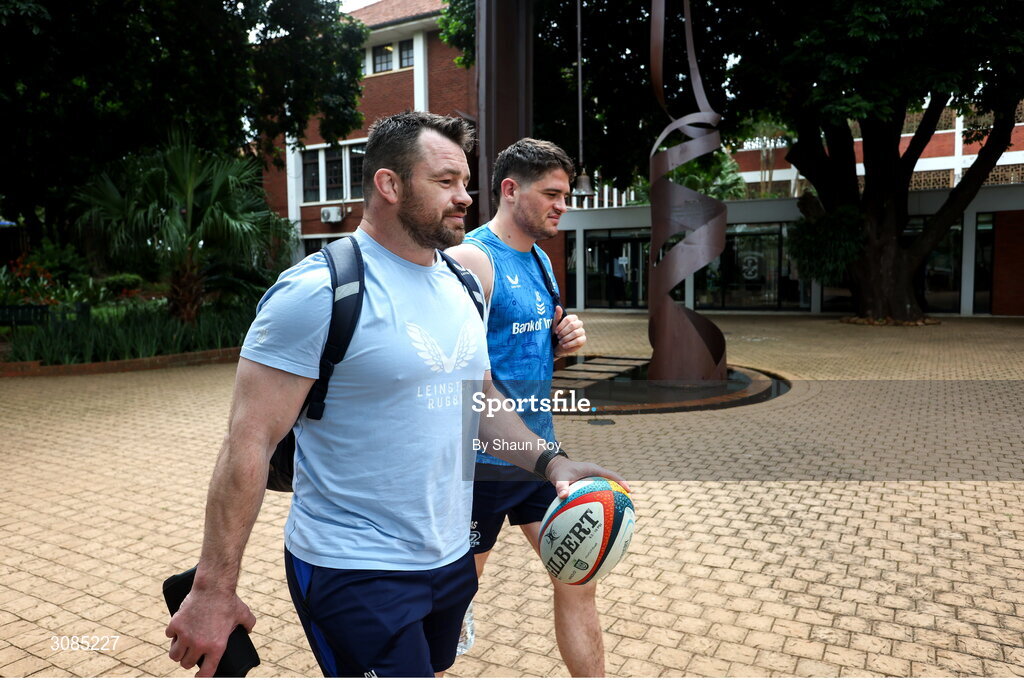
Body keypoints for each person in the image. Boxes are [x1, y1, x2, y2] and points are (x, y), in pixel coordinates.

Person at [164, 113, 625, 678]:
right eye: (445, 182)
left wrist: (551, 461)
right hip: (353, 568)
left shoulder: (460, 287)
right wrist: (213, 589)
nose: (464, 198)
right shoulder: (317, 292)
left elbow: (477, 403)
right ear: (389, 185)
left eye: (465, 183)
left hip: (449, 557)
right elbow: (248, 443)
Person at [446, 138, 605, 677]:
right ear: (510, 190)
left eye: (567, 194)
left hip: (539, 454)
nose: (563, 204)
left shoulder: (539, 259)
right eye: (552, 193)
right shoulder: (471, 259)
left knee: (577, 576)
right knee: (449, 606)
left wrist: (559, 346)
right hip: (482, 466)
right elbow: (459, 375)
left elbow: (524, 359)